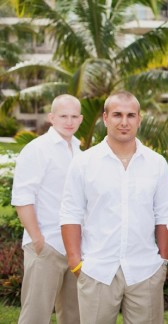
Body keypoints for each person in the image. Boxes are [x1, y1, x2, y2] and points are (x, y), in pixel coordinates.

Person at [59, 91, 168, 324]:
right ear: (105, 118)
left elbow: (164, 215)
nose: (124, 122)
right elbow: (70, 213)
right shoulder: (84, 162)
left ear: (139, 119)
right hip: (96, 270)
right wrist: (76, 263)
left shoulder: (156, 163)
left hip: (146, 270)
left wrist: (162, 262)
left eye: (131, 115)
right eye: (117, 115)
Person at [11, 94, 83, 324]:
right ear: (52, 118)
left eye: (74, 116)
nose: (69, 121)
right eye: (63, 116)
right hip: (47, 245)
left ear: (81, 119)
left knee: (74, 316)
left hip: (74, 248)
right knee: (36, 316)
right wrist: (37, 239)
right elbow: (23, 198)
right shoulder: (37, 149)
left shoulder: (79, 150)